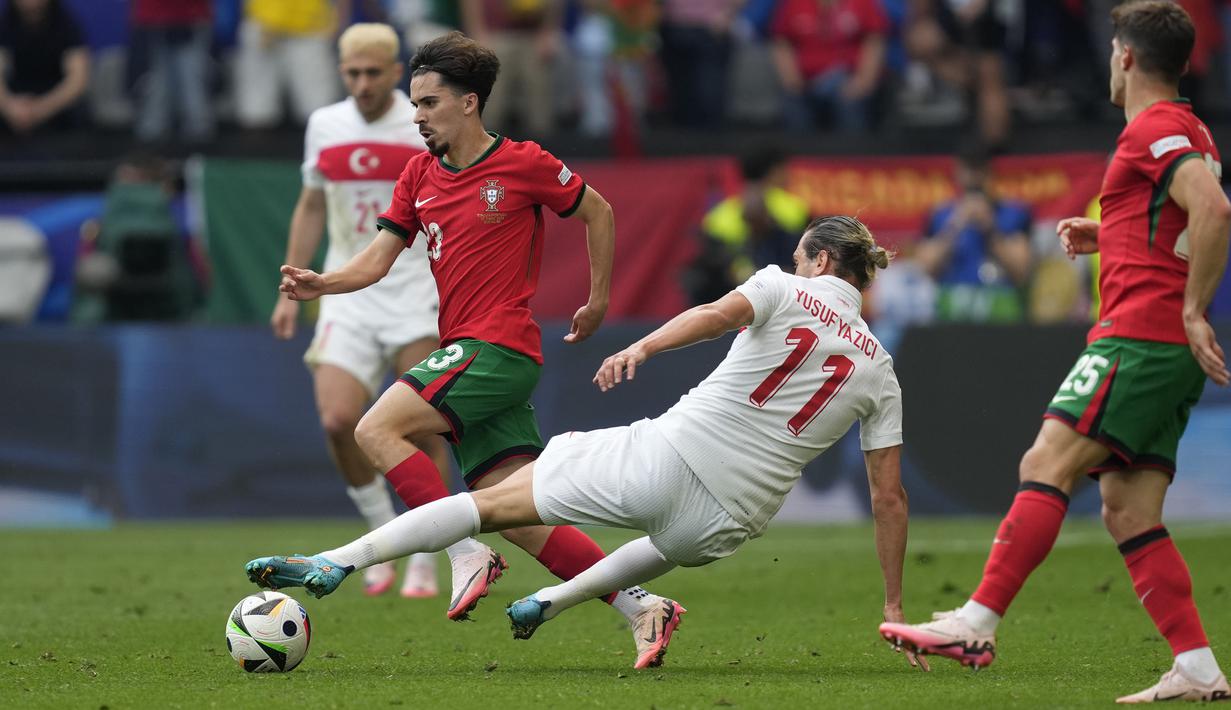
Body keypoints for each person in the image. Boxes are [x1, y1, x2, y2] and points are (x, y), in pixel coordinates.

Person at [246, 216, 924, 672]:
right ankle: (559, 601)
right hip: (723, 526)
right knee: (659, 547)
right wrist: (892, 609)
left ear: (821, 261)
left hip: (665, 458)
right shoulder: (880, 373)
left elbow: (716, 317)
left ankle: (336, 561)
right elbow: (887, 499)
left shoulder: (782, 286)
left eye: (801, 253)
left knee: (490, 499)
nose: (792, 261)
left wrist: (643, 346)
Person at [268, 31, 675, 648]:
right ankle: (640, 605)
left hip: (500, 347)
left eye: (429, 103)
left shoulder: (523, 162)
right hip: (470, 349)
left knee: (375, 428)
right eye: (415, 103)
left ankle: (462, 552)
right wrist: (321, 282)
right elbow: (376, 262)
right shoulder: (417, 174)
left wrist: (597, 301)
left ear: (469, 103)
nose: (417, 115)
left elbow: (599, 210)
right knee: (513, 511)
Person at [880, 2, 1231, 703]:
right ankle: (1195, 665)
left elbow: (1213, 210)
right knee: (1128, 510)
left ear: (1125, 57)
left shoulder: (1153, 126)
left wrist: (1193, 310)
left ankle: (975, 623)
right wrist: (1114, 236)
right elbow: (1183, 222)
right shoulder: (1189, 128)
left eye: (1110, 50)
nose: (1107, 61)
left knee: (1044, 461)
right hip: (1162, 345)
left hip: (1139, 335)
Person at [269, 23, 448, 599]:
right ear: (341, 72)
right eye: (353, 73)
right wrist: (288, 288)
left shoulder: (422, 120)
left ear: (396, 71)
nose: (363, 83)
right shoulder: (325, 123)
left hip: (416, 284)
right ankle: (380, 533)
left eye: (375, 72)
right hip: (345, 286)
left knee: (418, 425)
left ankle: (426, 552)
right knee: (337, 421)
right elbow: (311, 205)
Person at [913, 144, 1033, 323]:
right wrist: (954, 226)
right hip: (952, 313)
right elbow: (925, 267)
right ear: (958, 173)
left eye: (979, 170)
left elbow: (1021, 271)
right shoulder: (940, 216)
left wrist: (990, 229)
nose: (974, 178)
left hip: (1000, 313)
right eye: (968, 170)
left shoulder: (1014, 214)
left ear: (989, 173)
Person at [686, 143, 810, 305]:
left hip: (729, 299)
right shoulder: (794, 209)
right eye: (785, 170)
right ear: (774, 171)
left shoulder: (717, 216)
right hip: (782, 297)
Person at [0, 0, 89, 135]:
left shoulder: (67, 24)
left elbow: (77, 80)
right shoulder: (5, 23)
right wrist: (9, 107)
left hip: (55, 103)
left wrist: (40, 110)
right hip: (15, 101)